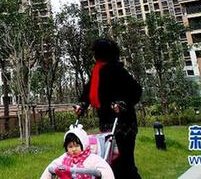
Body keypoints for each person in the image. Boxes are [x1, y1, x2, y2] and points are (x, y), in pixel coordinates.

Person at [75, 39, 142, 179]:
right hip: (107, 124)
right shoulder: (97, 71)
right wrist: (82, 105)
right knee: (110, 162)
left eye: (95, 52)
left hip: (124, 124)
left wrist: (121, 103)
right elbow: (88, 92)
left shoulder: (117, 70)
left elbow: (136, 91)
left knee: (125, 163)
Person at [40, 124, 115, 179]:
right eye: (70, 147)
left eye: (77, 146)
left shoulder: (92, 159)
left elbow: (106, 171)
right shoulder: (64, 158)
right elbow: (52, 166)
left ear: (84, 145)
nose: (73, 149)